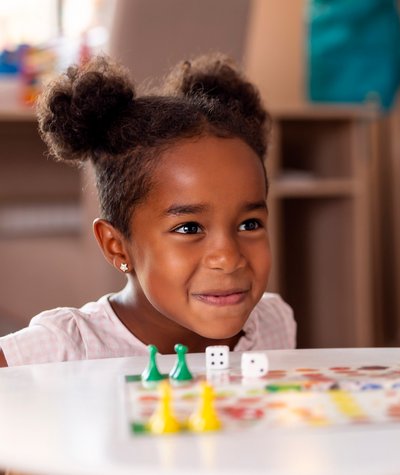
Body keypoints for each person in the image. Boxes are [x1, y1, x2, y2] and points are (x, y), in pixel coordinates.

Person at [0, 53, 296, 367]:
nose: (228, 258)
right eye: (190, 228)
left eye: (249, 224)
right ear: (117, 246)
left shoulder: (273, 323)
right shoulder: (69, 349)